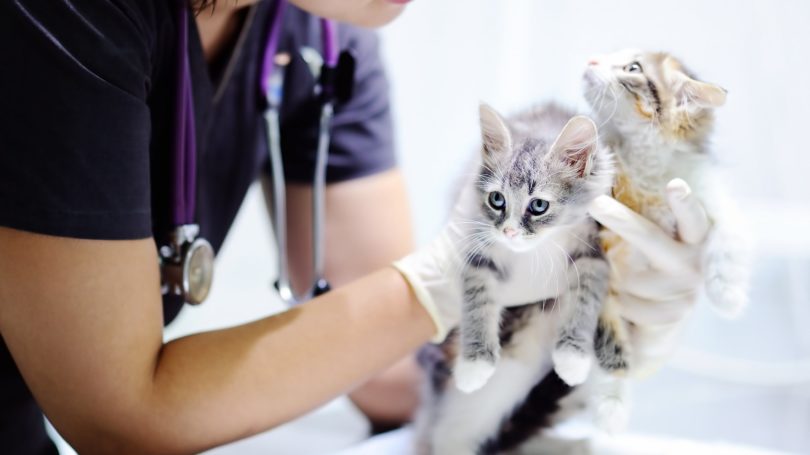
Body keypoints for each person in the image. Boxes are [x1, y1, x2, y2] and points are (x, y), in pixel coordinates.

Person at [0, 0, 711, 453]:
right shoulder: (58, 14)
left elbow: (393, 377)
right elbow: (121, 417)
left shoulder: (325, 35)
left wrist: (570, 324)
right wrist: (446, 279)